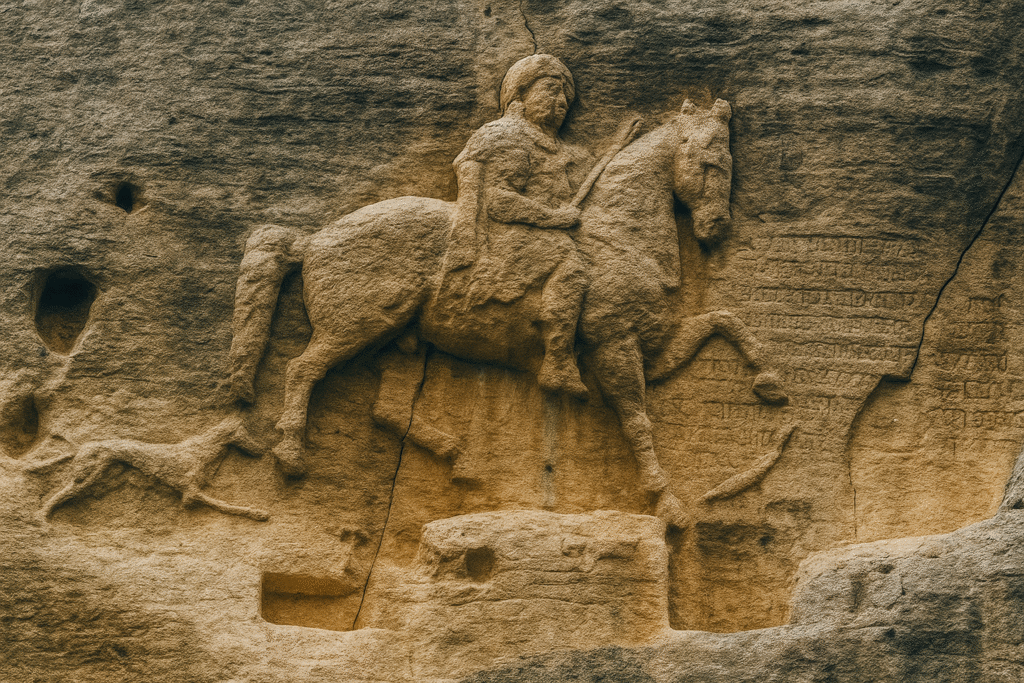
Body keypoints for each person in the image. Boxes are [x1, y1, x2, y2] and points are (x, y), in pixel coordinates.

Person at [443, 54, 594, 399]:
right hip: (501, 232)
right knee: (569, 265)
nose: (560, 103)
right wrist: (553, 218)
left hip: (535, 229)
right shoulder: (507, 135)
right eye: (550, 91)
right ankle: (557, 361)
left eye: (565, 99)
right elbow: (497, 198)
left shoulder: (559, 148)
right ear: (519, 95)